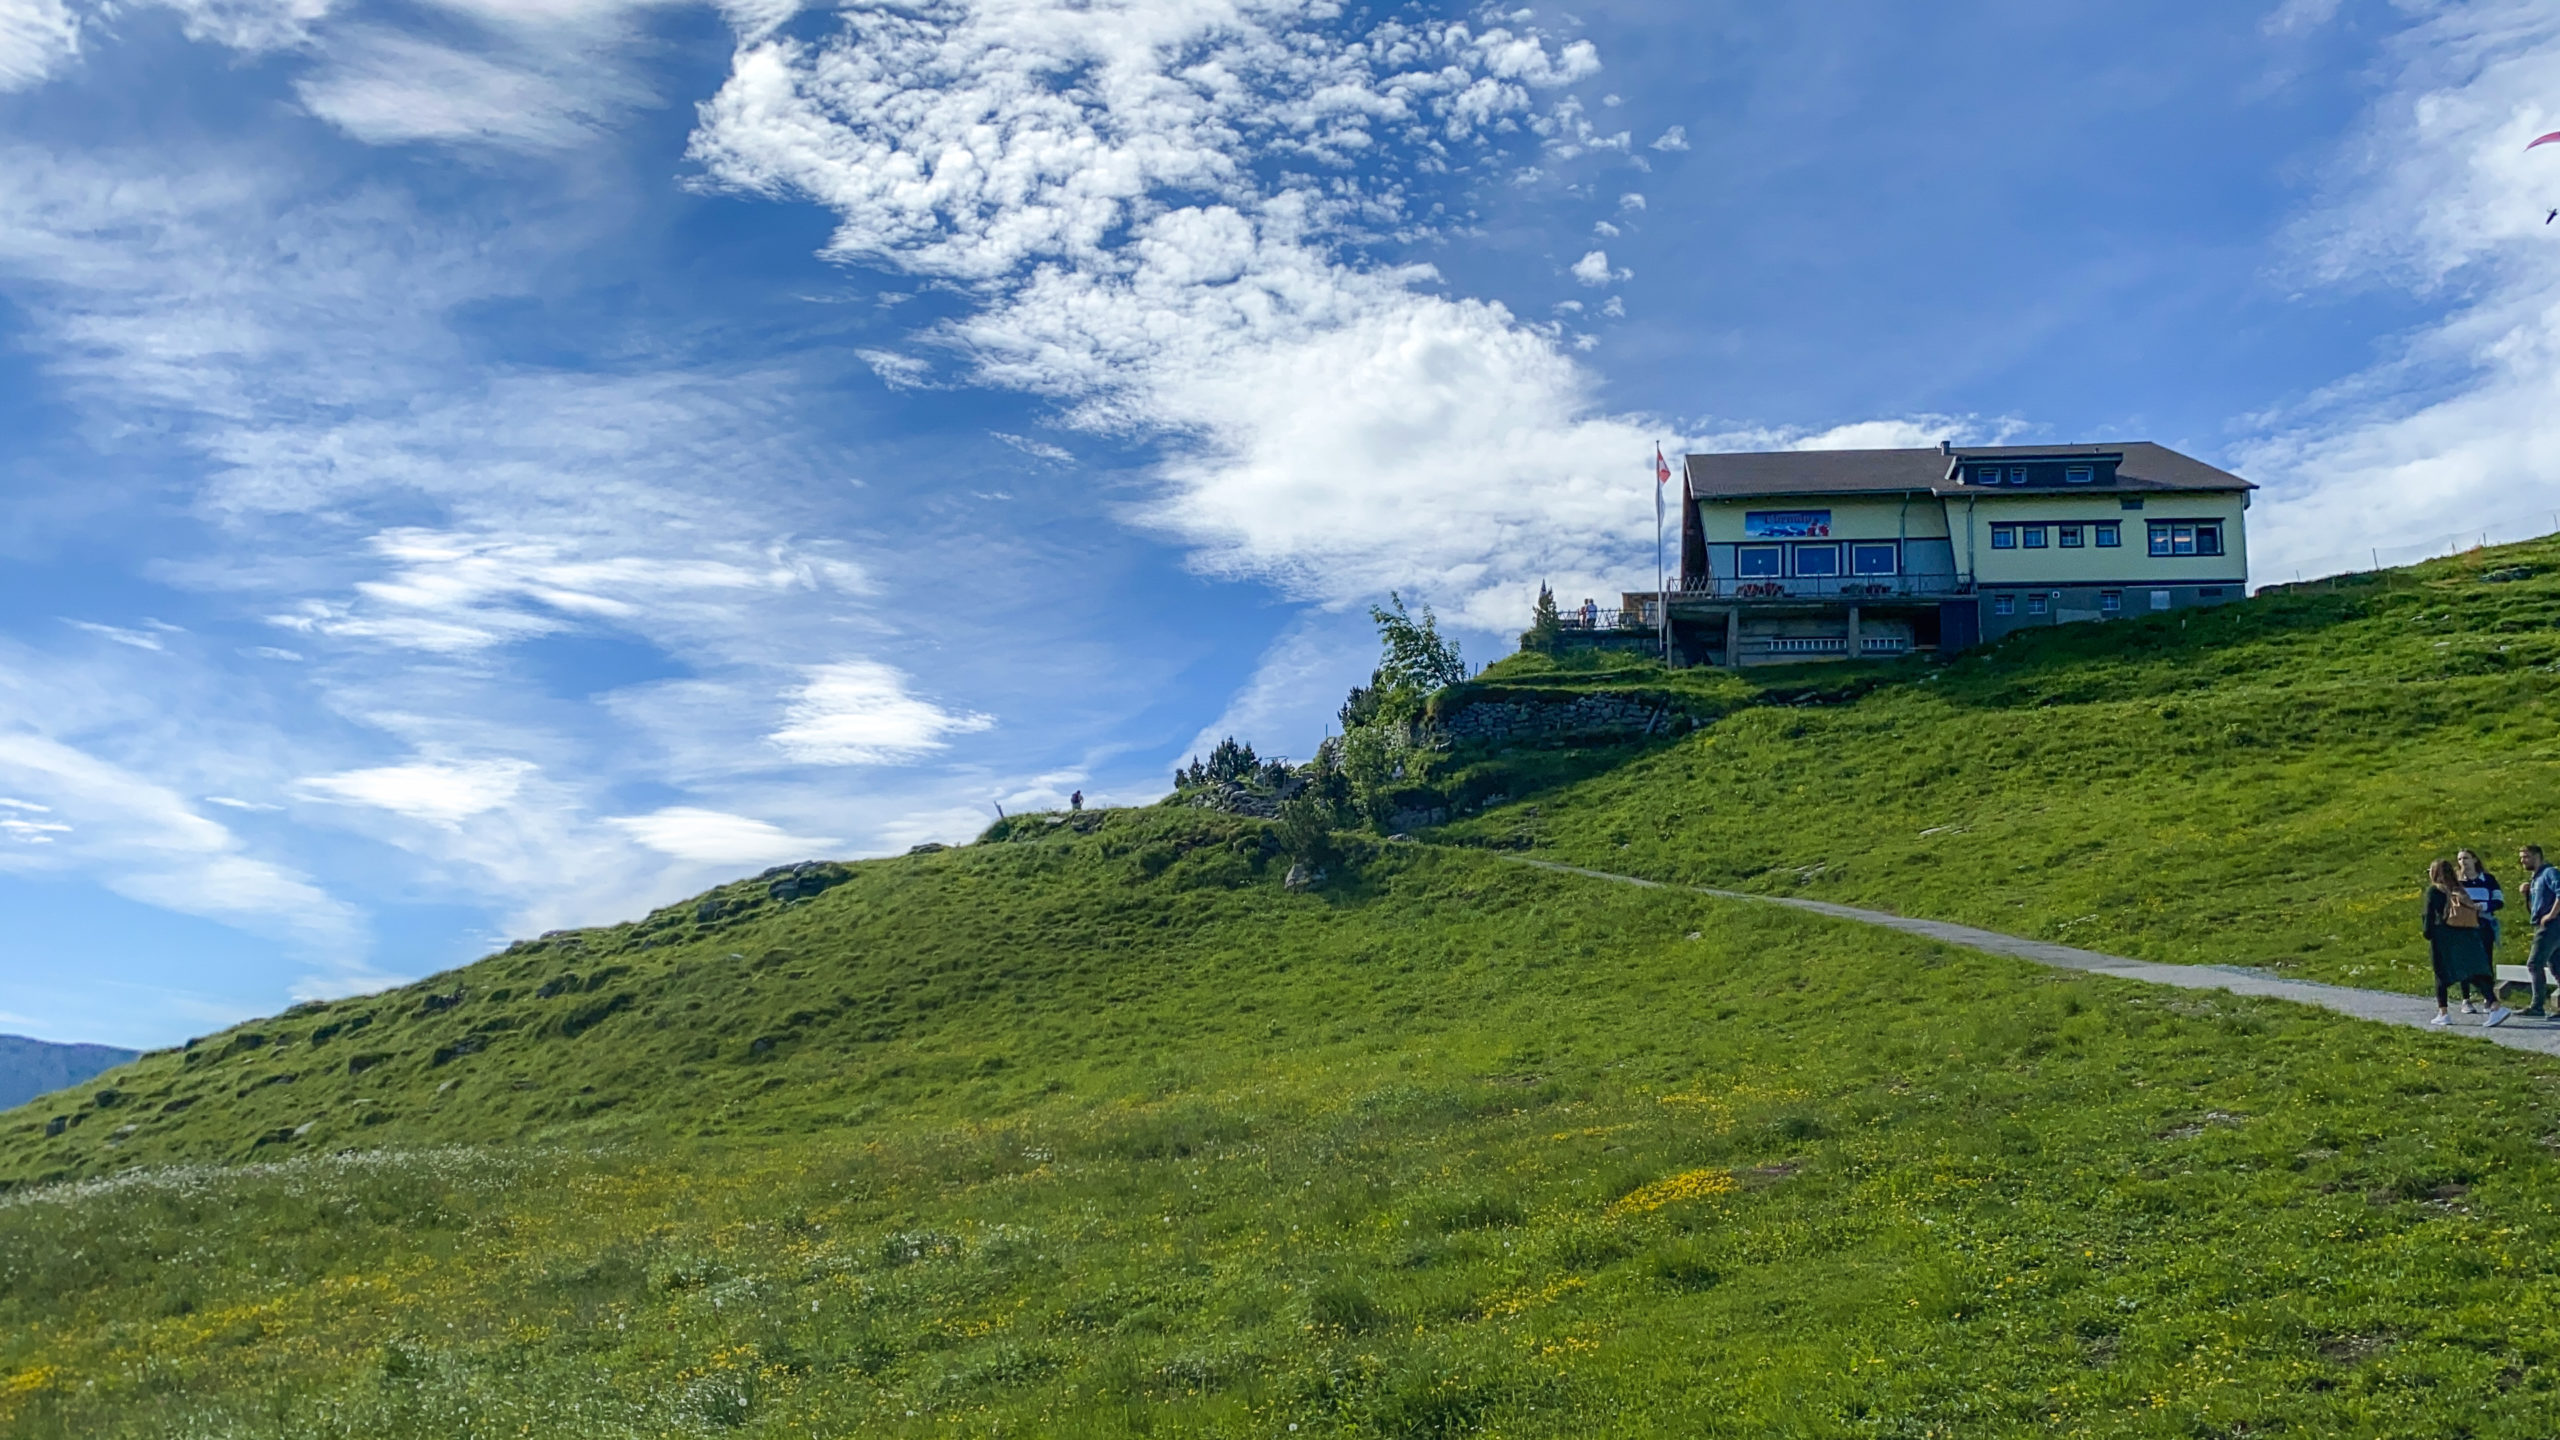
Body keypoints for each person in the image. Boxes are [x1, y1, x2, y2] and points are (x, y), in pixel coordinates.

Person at [2425, 859, 2510, 1028]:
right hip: (2466, 935)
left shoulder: (2434, 891)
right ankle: (2494, 1005)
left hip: (2443, 937)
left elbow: (2429, 916)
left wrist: (2428, 933)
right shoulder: (2460, 890)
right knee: (2473, 973)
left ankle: (2443, 1013)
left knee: (2441, 974)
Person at [2457, 848, 2507, 1011]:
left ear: (2474, 860)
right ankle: (2466, 999)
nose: (2463, 862)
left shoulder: (2488, 880)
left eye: (2466, 858)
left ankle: (2488, 997)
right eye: (2459, 859)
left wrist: (2483, 906)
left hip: (2484, 923)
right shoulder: (2457, 881)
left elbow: (2499, 901)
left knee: (2485, 961)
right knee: (2464, 961)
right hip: (2464, 925)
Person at [2523, 844, 2560, 1017]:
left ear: (2537, 856)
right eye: (2522, 857)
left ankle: (2537, 1006)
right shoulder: (2535, 878)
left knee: (2534, 963)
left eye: (2526, 856)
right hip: (2542, 923)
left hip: (2551, 925)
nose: (2523, 860)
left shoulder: (2549, 872)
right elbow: (2533, 908)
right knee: (2556, 965)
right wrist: (2526, 893)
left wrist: (2551, 915)